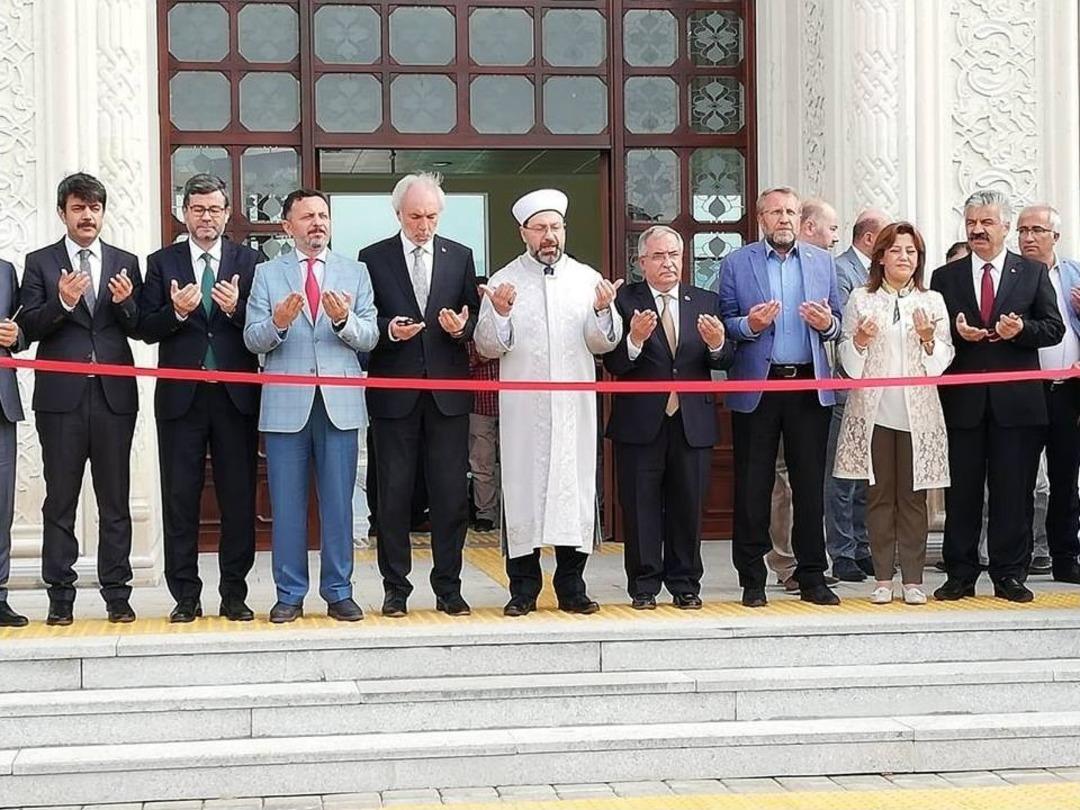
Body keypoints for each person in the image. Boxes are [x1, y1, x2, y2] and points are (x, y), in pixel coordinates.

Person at [474, 189, 623, 617]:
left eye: (555, 227)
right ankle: (522, 589)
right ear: (523, 232)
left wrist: (601, 311)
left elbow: (603, 342)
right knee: (523, 492)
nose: (548, 236)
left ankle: (572, 586)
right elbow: (487, 346)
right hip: (525, 414)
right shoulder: (506, 281)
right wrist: (499, 313)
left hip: (573, 409)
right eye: (540, 228)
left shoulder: (585, 278)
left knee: (572, 491)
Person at [244, 189, 378, 623]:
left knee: (339, 502)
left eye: (323, 216)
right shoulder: (267, 274)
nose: (317, 223)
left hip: (338, 403)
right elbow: (252, 338)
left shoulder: (355, 272)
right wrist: (278, 323)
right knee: (286, 503)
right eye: (307, 217)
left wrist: (343, 320)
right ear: (288, 226)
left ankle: (339, 591)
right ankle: (289, 593)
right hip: (286, 404)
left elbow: (370, 336)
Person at [18, 173, 142, 625]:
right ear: (62, 213)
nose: (87, 215)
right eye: (78, 208)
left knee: (115, 499)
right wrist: (63, 304)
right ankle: (60, 596)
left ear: (103, 212)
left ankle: (117, 593)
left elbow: (139, 327)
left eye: (94, 208)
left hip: (113, 397)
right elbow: (26, 328)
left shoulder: (125, 260)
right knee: (61, 499)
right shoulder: (40, 263)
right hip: (61, 400)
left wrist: (128, 304)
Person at [931, 190, 1064, 603]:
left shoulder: (1031, 273)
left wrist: (1020, 330)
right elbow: (936, 335)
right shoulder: (945, 276)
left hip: (1017, 404)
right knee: (963, 493)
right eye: (971, 222)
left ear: (1005, 227)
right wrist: (959, 333)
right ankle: (960, 573)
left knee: (1013, 493)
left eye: (987, 222)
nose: (977, 229)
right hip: (963, 403)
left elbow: (1053, 328)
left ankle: (1009, 574)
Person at [140, 173, 261, 623]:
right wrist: (176, 312)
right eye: (197, 209)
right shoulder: (161, 262)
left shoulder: (250, 262)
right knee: (180, 498)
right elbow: (143, 327)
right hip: (180, 400)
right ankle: (185, 595)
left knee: (237, 497)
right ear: (183, 213)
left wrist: (234, 308)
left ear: (227, 214)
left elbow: (262, 329)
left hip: (235, 398)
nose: (206, 217)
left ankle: (234, 593)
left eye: (214, 209)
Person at [359, 173, 480, 618]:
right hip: (395, 393)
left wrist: (459, 329)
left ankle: (449, 586)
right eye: (415, 216)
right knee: (393, 494)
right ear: (398, 214)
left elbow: (472, 318)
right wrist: (391, 331)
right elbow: (366, 318)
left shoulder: (460, 256)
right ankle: (396, 587)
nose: (423, 224)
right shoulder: (372, 257)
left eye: (430, 216)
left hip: (447, 394)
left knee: (450, 494)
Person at [718, 186, 842, 608]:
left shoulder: (822, 262)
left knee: (810, 486)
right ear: (761, 219)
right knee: (753, 485)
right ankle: (752, 578)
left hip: (808, 385)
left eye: (790, 211)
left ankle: (812, 576)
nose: (784, 219)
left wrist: (826, 324)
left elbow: (838, 324)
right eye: (776, 212)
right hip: (759, 386)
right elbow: (724, 325)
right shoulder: (736, 263)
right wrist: (749, 325)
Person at [604, 225, 733, 609]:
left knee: (688, 505)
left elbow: (725, 359)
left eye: (674, 255)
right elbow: (612, 363)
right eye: (658, 256)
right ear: (642, 262)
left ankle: (685, 584)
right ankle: (644, 586)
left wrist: (717, 344)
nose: (668, 264)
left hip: (692, 422)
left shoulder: (704, 300)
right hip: (641, 423)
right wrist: (635, 340)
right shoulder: (625, 301)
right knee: (640, 507)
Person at [834, 222, 954, 604]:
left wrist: (928, 338)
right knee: (879, 497)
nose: (904, 257)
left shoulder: (932, 300)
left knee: (914, 499)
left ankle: (914, 580)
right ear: (881, 256)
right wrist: (861, 340)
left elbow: (942, 362)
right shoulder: (861, 298)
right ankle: (883, 579)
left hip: (917, 415)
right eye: (897, 250)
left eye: (911, 252)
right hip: (875, 413)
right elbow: (850, 365)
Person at [1016, 204, 1080, 584]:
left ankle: (1066, 556)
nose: (1027, 238)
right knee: (1019, 479)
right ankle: (1017, 558)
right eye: (1022, 230)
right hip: (1025, 388)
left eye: (1037, 230)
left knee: (1065, 477)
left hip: (1068, 391)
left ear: (1054, 236)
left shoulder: (1072, 273)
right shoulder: (1014, 274)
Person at [827, 209, 891, 582]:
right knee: (842, 476)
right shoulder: (841, 271)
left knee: (871, 474)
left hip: (881, 389)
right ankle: (843, 551)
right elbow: (843, 329)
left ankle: (864, 545)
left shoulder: (882, 277)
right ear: (870, 240)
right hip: (848, 387)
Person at [0, 258, 25, 627]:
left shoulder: (5, 271)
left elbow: (24, 332)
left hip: (1, 406)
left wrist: (14, 335)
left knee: (1, 506)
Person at [467, 293, 500, 533]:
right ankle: (485, 513)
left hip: (512, 405)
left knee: (516, 462)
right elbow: (461, 364)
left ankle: (510, 513)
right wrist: (481, 354)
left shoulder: (509, 321)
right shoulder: (468, 327)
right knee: (481, 464)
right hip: (479, 405)